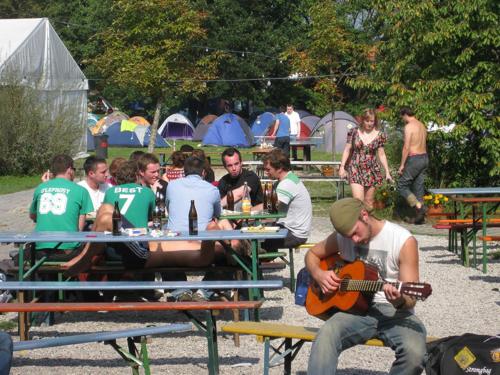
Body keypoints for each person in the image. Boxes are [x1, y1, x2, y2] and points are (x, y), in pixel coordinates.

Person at [305, 198, 427, 375]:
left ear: (364, 215)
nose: (353, 240)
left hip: (394, 312)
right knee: (326, 336)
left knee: (415, 353)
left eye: (355, 233)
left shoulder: (402, 240)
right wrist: (319, 274)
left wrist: (399, 300)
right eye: (348, 237)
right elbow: (312, 254)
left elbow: (410, 301)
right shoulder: (344, 237)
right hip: (355, 311)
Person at [29, 154, 93, 261]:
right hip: (68, 251)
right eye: (74, 169)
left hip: (41, 249)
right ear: (69, 170)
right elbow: (79, 230)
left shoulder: (41, 188)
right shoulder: (81, 190)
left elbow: (32, 216)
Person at [338, 108, 392, 210]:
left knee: (369, 203)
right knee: (358, 201)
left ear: (375, 121)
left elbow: (381, 154)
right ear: (362, 120)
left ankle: (367, 224)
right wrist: (342, 167)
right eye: (367, 121)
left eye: (372, 121)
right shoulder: (353, 132)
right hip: (355, 168)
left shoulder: (380, 135)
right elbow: (347, 150)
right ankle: (357, 224)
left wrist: (387, 172)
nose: (369, 123)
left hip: (372, 170)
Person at [261, 149, 312, 251]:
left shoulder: (286, 184)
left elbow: (269, 207)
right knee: (255, 234)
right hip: (290, 229)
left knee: (255, 241)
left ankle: (253, 265)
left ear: (279, 168)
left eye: (268, 169)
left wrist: (247, 212)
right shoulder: (286, 180)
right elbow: (269, 210)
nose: (266, 172)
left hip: (294, 234)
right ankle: (260, 263)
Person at [398, 107, 428, 224]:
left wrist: (402, 165)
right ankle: (419, 218)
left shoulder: (409, 127)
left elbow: (406, 147)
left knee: (402, 186)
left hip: (414, 158)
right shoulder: (422, 125)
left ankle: (419, 207)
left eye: (402, 117)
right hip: (424, 158)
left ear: (405, 114)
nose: (403, 119)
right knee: (418, 187)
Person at [218, 147, 263, 211]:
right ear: (225, 167)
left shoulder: (251, 176)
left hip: (254, 216)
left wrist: (218, 206)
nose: (234, 168)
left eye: (236, 164)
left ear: (241, 163)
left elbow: (240, 193)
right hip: (231, 217)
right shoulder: (223, 181)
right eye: (230, 165)